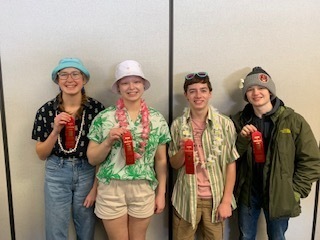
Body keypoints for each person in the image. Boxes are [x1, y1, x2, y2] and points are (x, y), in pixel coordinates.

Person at [231, 66, 320, 240]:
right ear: (245, 95)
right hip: (248, 193)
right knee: (246, 236)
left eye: (261, 88)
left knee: (277, 237)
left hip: (280, 193)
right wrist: (242, 141)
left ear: (270, 91)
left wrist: (295, 191)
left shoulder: (293, 121)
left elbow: (311, 161)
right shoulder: (237, 121)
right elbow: (228, 158)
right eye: (250, 89)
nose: (256, 93)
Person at [86, 60, 171, 240]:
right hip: (111, 187)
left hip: (143, 187)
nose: (131, 87)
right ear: (118, 87)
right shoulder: (104, 118)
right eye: (125, 82)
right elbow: (92, 158)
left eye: (136, 81)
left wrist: (161, 193)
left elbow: (161, 160)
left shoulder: (157, 119)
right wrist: (108, 141)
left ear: (143, 85)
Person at [32, 58, 105, 240]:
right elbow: (41, 154)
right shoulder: (46, 111)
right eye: (63, 74)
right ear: (57, 80)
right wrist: (55, 130)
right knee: (55, 228)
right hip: (56, 170)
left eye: (75, 74)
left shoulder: (96, 110)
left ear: (84, 79)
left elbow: (103, 153)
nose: (69, 79)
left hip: (88, 170)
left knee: (86, 227)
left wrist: (96, 187)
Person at [168, 72, 240, 240]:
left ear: (210, 93)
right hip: (185, 198)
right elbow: (174, 164)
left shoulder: (225, 124)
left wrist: (226, 201)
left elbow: (231, 164)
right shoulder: (178, 125)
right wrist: (182, 152)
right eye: (192, 91)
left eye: (203, 90)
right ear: (186, 95)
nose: (198, 95)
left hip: (215, 200)